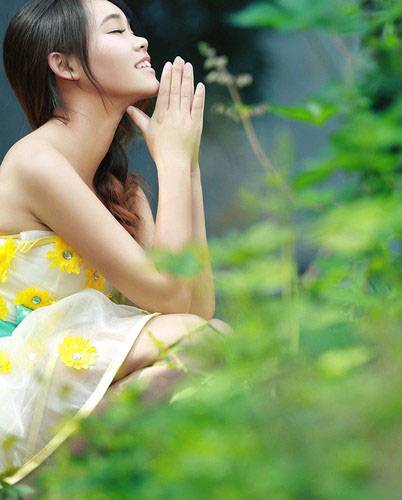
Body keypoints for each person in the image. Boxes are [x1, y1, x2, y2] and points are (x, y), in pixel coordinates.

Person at [0, 0, 233, 486]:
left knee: (210, 348)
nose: (141, 41)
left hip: (65, 381)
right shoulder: (36, 163)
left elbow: (194, 306)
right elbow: (172, 302)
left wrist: (185, 165)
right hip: (16, 385)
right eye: (116, 30)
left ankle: (53, 487)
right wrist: (169, 162)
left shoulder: (119, 193)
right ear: (64, 65)